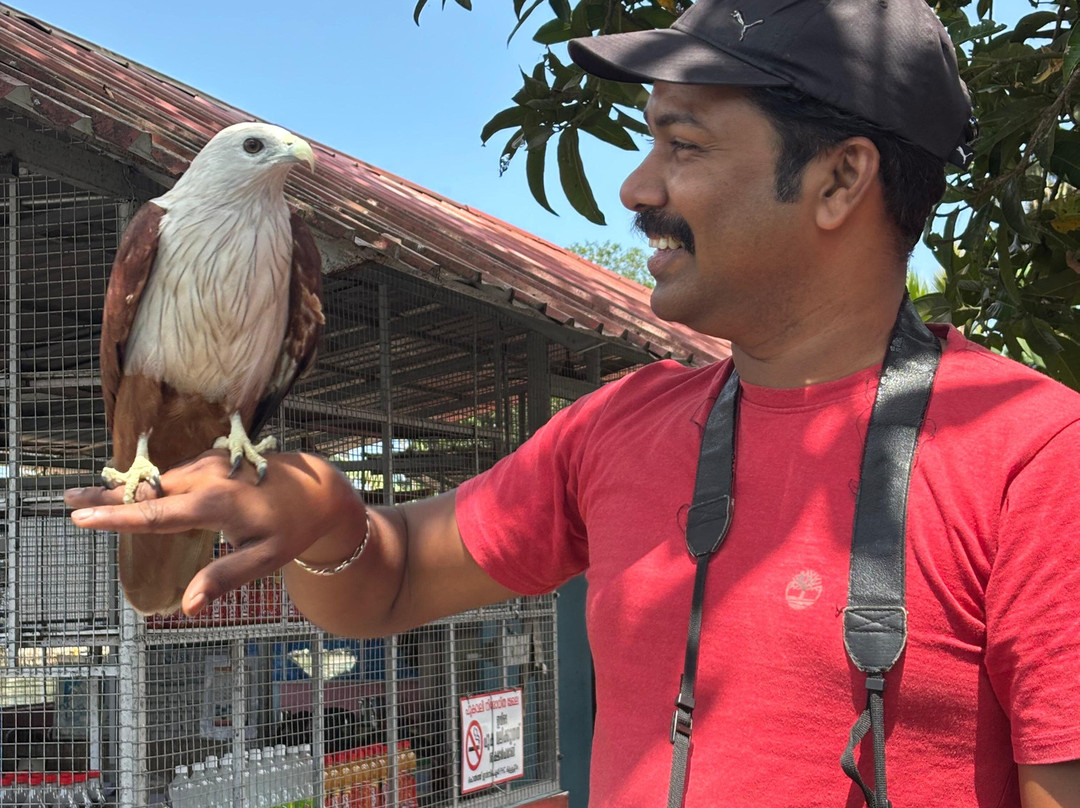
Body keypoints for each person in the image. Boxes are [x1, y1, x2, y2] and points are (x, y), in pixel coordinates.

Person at [65, 0, 1080, 805]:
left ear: (838, 180)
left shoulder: (1032, 455)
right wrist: (329, 521)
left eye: (681, 145)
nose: (637, 188)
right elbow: (390, 580)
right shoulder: (622, 425)